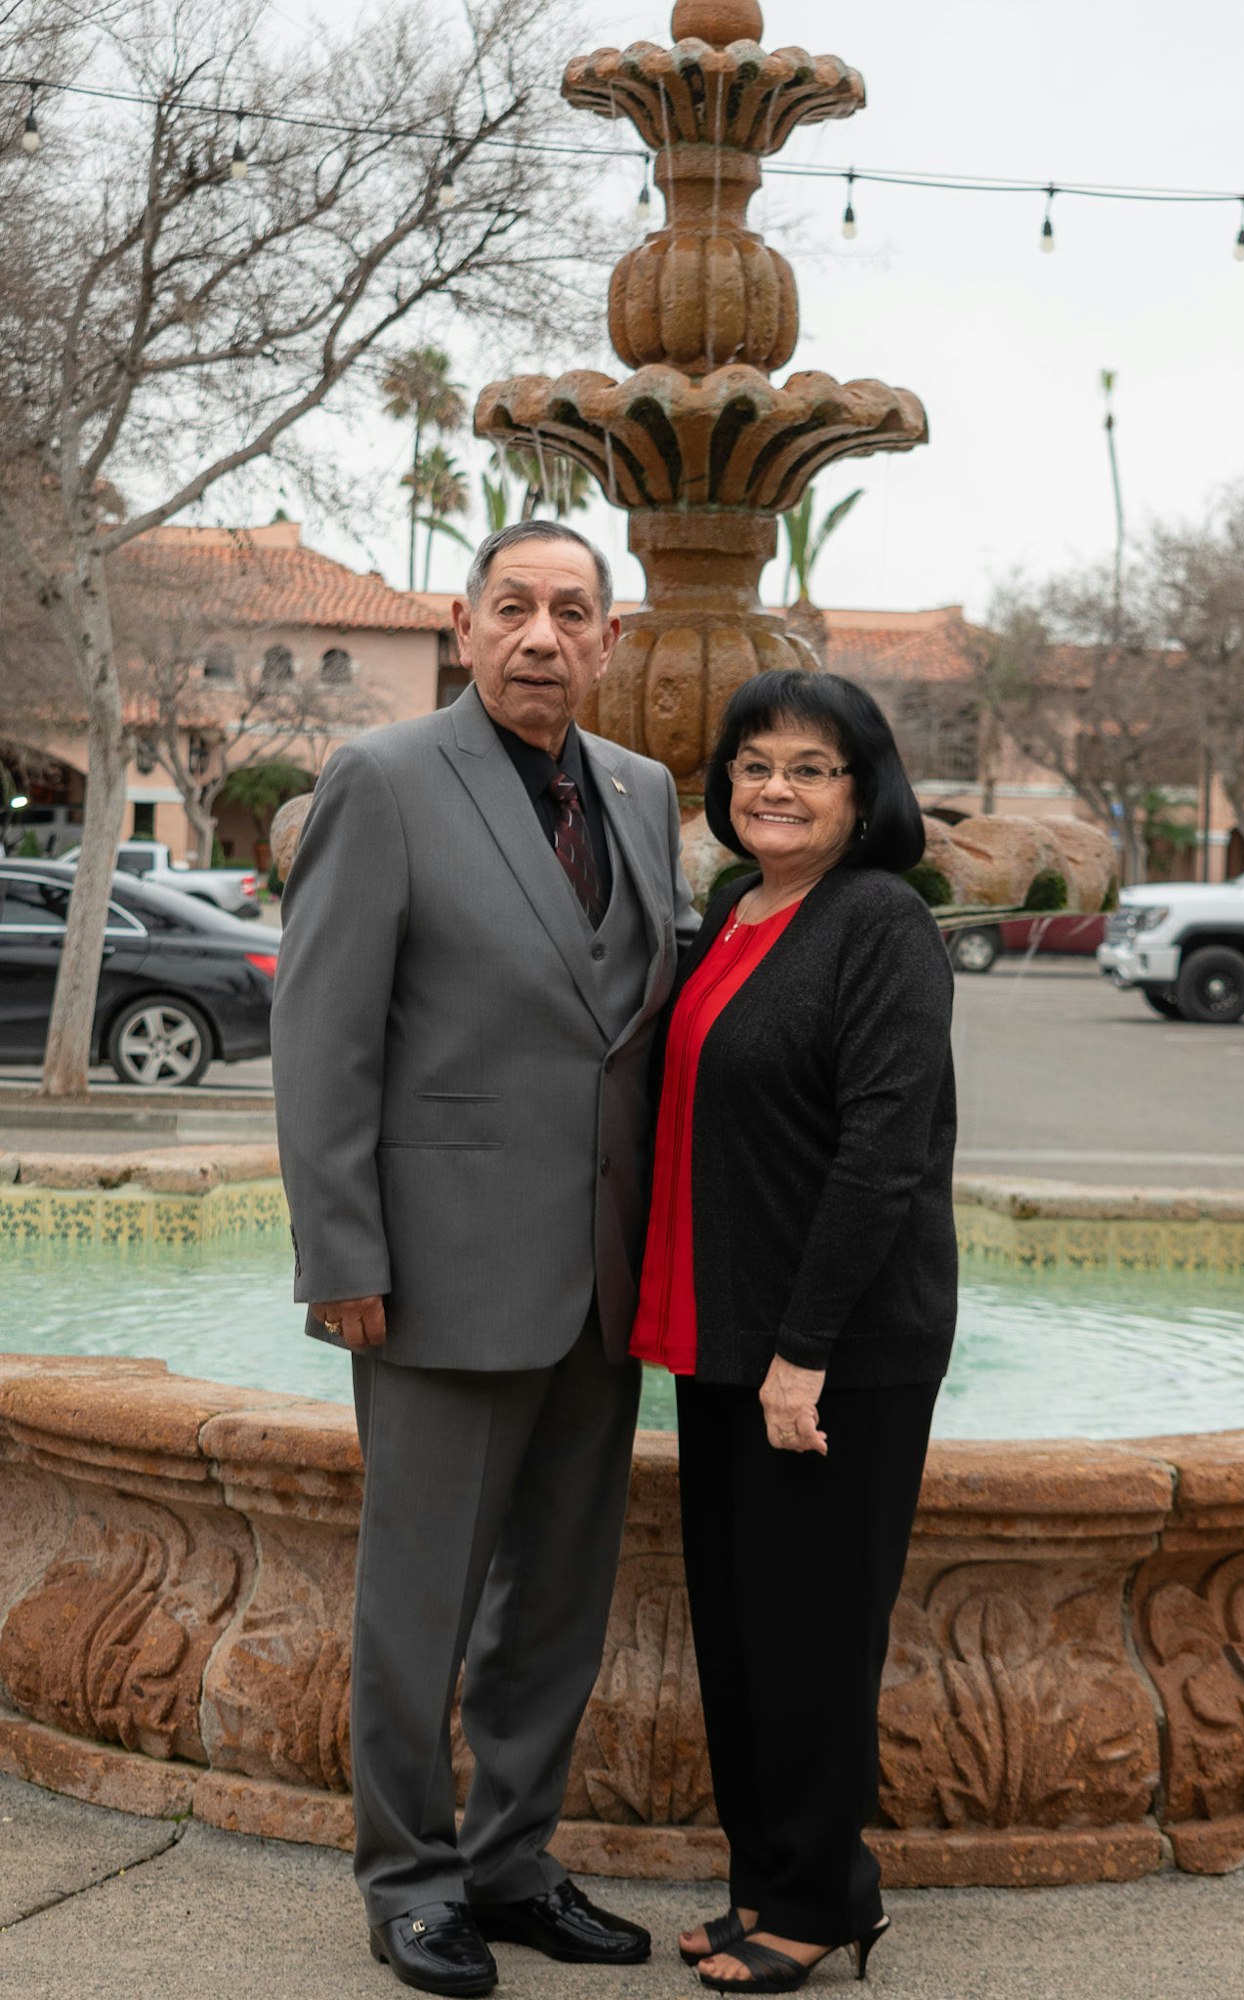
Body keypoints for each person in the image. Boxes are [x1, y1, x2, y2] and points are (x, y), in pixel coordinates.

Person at [271, 520, 698, 1999]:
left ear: (607, 642)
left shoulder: (642, 795)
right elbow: (321, 1040)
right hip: (437, 1275)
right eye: (509, 607)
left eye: (568, 613)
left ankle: (513, 1863)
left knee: (559, 1602)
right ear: (462, 626)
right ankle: (408, 1881)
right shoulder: (382, 781)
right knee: (420, 1603)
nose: (538, 637)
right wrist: (342, 1253)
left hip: (602, 1279)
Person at [629, 668, 958, 1995]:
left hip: (832, 1356)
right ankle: (764, 1881)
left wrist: (803, 1351)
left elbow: (883, 1155)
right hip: (727, 1338)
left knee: (815, 1634)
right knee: (743, 1625)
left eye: (811, 766)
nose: (774, 785)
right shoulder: (736, 909)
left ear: (864, 790)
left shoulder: (880, 923)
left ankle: (823, 1900)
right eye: (754, 761)